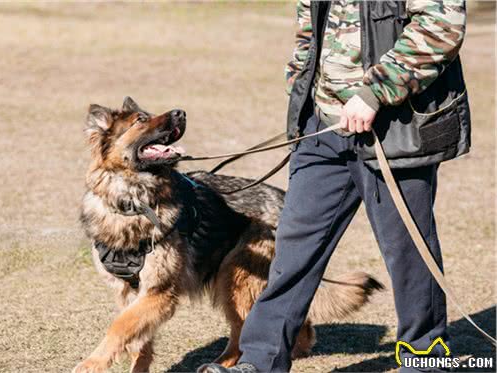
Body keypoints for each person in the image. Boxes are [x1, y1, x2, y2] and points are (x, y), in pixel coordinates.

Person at [198, 1, 469, 372]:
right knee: (293, 251)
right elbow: (308, 32)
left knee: (407, 253)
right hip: (321, 129)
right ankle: (259, 361)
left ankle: (426, 359)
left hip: (394, 129)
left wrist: (375, 93)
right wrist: (301, 89)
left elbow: (442, 23)